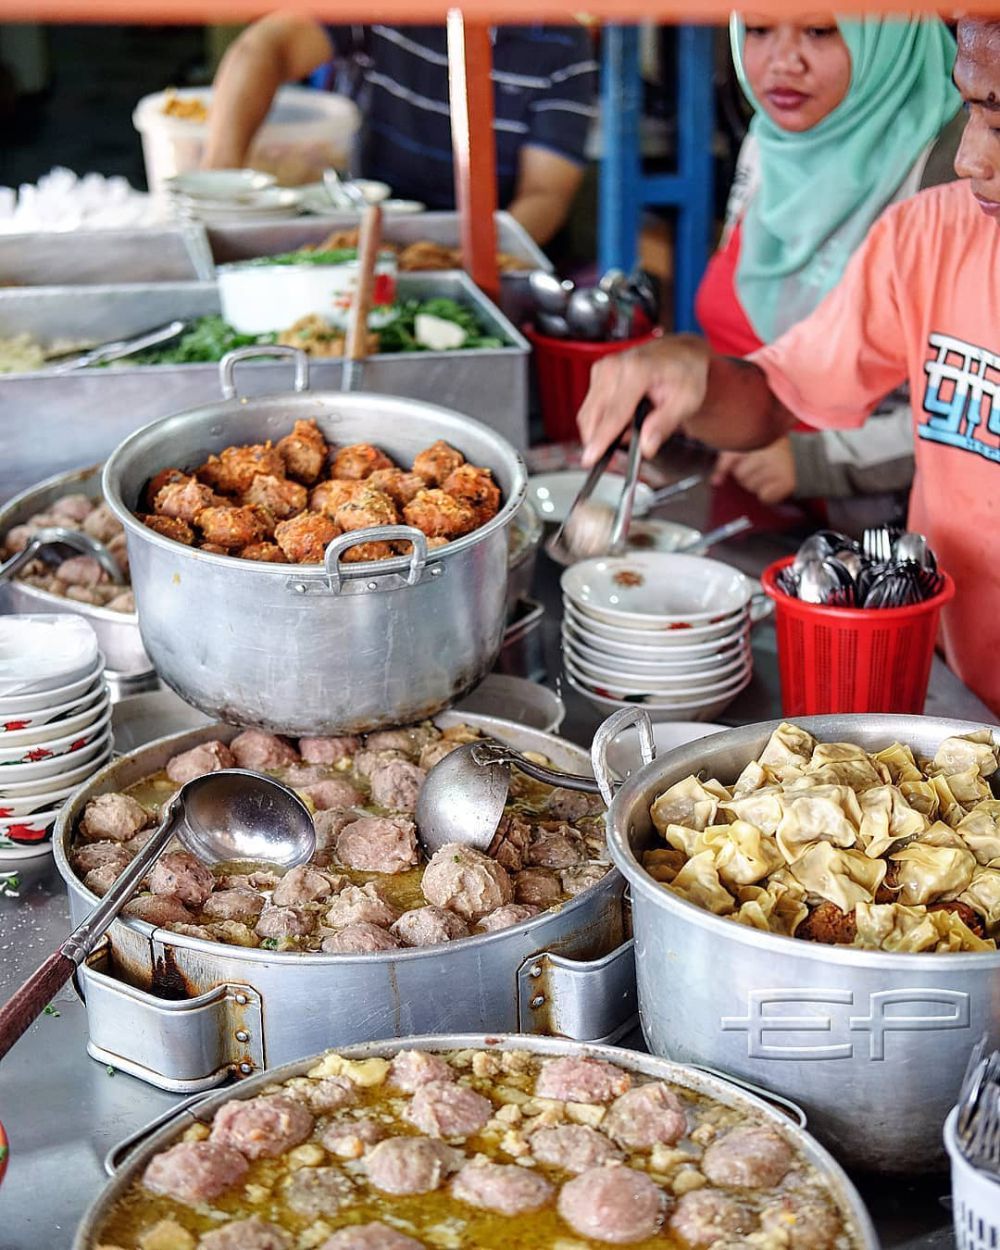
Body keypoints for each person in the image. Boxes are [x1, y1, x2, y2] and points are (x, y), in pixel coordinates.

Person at [576, 16, 1000, 716]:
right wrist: (692, 374)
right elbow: (777, 397)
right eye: (972, 112)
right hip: (951, 679)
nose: (968, 159)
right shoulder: (930, 234)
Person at [697, 15, 962, 532]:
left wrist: (815, 459)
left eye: (819, 31)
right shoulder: (771, 140)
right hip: (755, 505)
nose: (782, 62)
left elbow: (972, 404)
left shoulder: (958, 170)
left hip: (885, 543)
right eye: (757, 29)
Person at [202, 16, 597, 245]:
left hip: (471, 242)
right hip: (350, 226)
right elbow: (263, 50)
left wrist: (457, 257)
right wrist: (215, 188)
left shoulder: (564, 45)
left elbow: (545, 196)